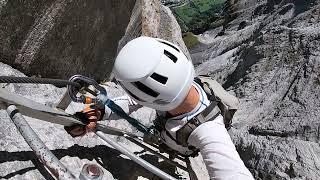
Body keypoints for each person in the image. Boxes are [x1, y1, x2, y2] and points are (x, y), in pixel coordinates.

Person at [67, 36, 254, 179]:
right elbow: (134, 101)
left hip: (183, 146)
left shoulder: (210, 131)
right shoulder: (172, 89)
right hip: (171, 135)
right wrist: (98, 113)